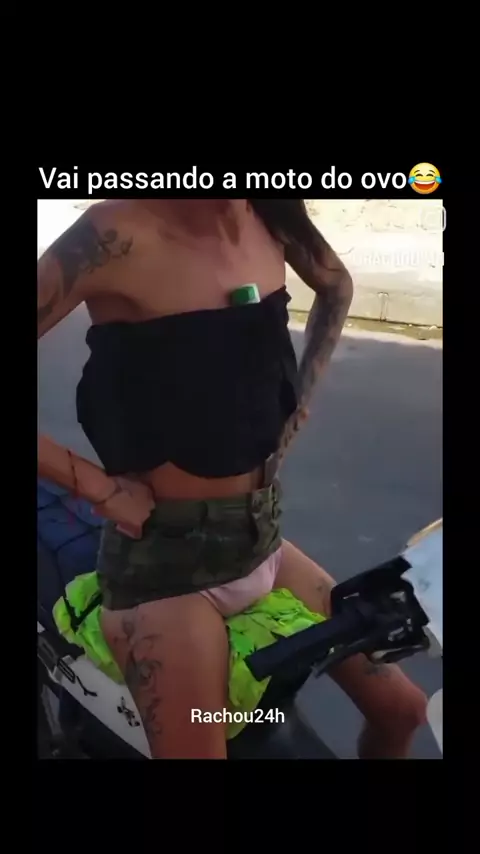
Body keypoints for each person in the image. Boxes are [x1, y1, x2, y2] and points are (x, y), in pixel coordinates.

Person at [37, 199, 427, 759]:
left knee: (403, 709)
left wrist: (297, 405)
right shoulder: (114, 233)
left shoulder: (271, 215)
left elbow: (335, 285)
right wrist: (101, 490)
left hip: (259, 539)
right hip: (165, 571)